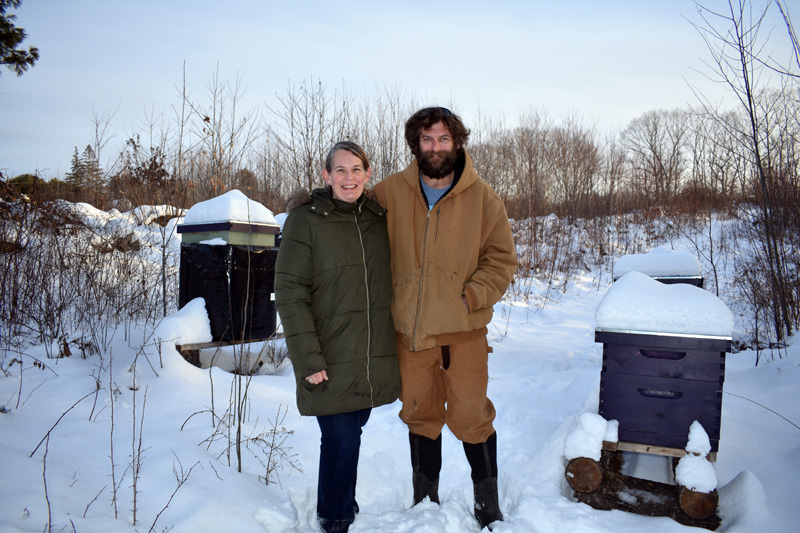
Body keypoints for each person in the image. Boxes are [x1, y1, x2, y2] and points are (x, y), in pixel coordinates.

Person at [372, 107, 517, 530]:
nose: (436, 148)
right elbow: (351, 216)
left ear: (458, 143)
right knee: (420, 413)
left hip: (463, 333)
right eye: (427, 140)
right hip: (409, 335)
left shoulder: (483, 199)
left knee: (472, 417)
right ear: (415, 144)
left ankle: (487, 503)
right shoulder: (388, 193)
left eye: (444, 139)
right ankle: (425, 499)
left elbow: (501, 260)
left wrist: (471, 297)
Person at [274, 141, 400, 533]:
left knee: (352, 429)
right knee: (341, 437)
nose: (349, 178)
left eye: (356, 170)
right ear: (326, 175)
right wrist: (308, 360)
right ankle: (335, 518)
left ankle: (342, 500)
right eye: (340, 170)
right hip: (328, 353)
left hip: (368, 353)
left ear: (367, 173)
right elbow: (291, 293)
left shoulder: (378, 219)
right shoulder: (305, 221)